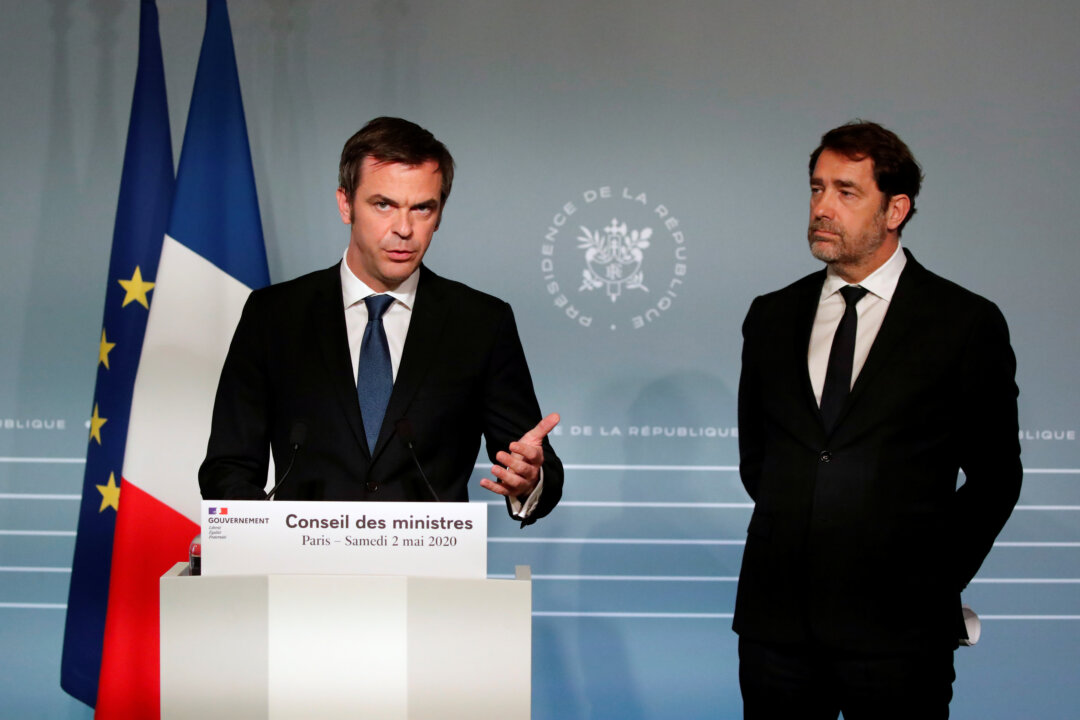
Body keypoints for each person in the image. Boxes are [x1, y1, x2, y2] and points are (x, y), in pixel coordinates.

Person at [733, 121, 1021, 718]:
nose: (822, 208)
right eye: (816, 189)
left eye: (845, 191)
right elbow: (761, 461)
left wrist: (929, 581)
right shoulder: (770, 315)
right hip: (776, 629)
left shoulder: (964, 322)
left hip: (901, 636)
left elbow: (996, 478)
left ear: (895, 209)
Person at [200, 117, 562, 525]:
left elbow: (533, 464)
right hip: (302, 575)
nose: (404, 229)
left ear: (439, 214)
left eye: (422, 208)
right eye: (383, 205)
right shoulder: (274, 314)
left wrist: (531, 479)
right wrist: (262, 536)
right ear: (345, 204)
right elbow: (227, 466)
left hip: (430, 576)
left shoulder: (480, 322)